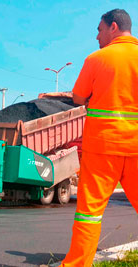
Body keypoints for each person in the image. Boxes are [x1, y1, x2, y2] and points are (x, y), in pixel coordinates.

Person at [61, 9, 138, 266]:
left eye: (99, 29)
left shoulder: (96, 59)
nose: (96, 36)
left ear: (113, 27)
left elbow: (79, 98)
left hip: (102, 147)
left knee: (89, 214)